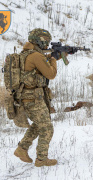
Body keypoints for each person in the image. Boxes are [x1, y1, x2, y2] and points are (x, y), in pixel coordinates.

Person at [13, 28, 59, 167]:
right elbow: (51, 74)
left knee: (39, 124)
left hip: (27, 97)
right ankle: (41, 159)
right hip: (33, 99)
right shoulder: (36, 56)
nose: (47, 45)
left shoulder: (25, 53)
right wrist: (54, 60)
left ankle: (22, 148)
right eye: (46, 42)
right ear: (41, 41)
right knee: (47, 128)